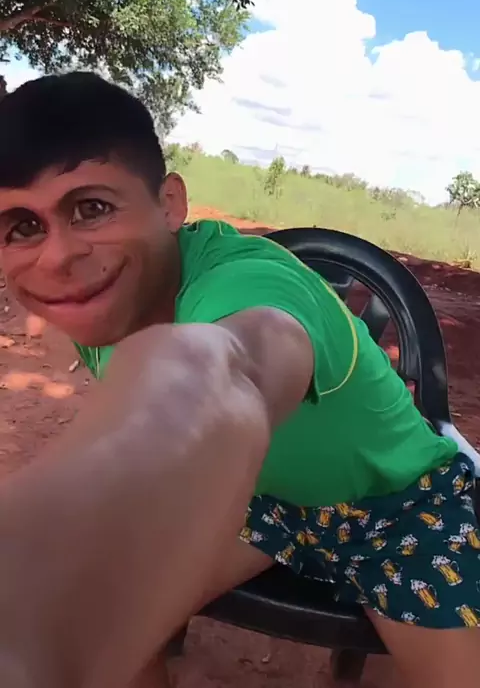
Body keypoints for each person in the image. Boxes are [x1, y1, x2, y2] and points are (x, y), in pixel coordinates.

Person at [0, 73, 477, 688]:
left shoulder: (248, 281)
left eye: (92, 208)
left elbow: (227, 368)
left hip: (402, 508)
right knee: (96, 604)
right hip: (264, 500)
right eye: (22, 227)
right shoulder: (101, 296)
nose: (58, 256)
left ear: (170, 203)